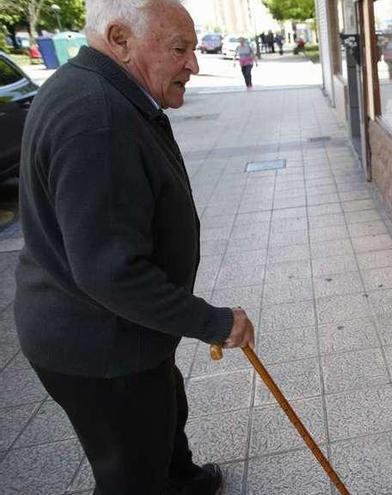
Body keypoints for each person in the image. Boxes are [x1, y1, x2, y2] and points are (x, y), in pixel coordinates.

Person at [15, 1, 256, 494]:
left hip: (127, 332)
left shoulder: (100, 90)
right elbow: (110, 272)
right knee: (131, 471)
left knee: (165, 409)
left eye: (192, 48)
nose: (193, 64)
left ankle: (182, 480)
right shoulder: (97, 116)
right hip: (99, 346)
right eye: (179, 49)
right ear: (121, 40)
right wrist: (212, 322)